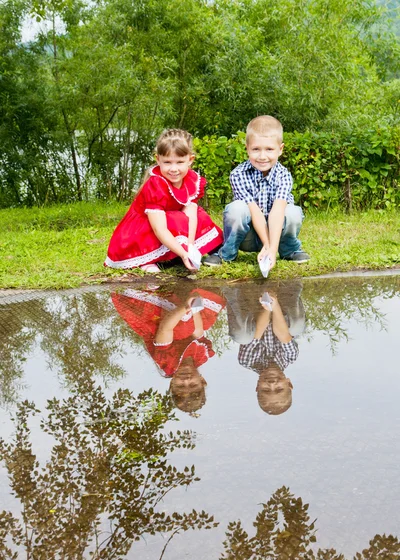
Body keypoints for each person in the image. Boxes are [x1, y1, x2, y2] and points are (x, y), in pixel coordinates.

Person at [105, 129, 223, 273]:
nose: (174, 169)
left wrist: (189, 247)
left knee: (200, 215)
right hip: (143, 229)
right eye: (167, 162)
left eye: (180, 162)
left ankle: (188, 252)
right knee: (175, 219)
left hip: (169, 223)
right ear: (158, 159)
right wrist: (184, 254)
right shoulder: (155, 184)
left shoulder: (191, 180)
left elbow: (191, 215)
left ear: (190, 160)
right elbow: (158, 228)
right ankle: (149, 260)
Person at [203, 115, 310, 269]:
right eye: (256, 149)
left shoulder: (284, 175)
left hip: (277, 236)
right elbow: (254, 212)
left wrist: (272, 249)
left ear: (280, 150)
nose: (262, 156)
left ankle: (289, 250)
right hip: (248, 237)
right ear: (247, 148)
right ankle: (226, 254)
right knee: (236, 209)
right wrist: (266, 245)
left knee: (293, 212)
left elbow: (278, 211)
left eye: (269, 149)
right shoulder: (238, 174)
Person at [111, 286, 226, 414]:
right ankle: (186, 292)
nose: (186, 380)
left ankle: (166, 291)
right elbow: (198, 332)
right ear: (202, 381)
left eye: (180, 386)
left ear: (172, 384)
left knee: (183, 329)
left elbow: (165, 328)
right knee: (201, 319)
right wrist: (195, 308)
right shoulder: (201, 356)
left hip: (158, 319)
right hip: (184, 320)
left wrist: (186, 307)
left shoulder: (167, 363)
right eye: (193, 385)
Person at [223, 282, 304, 415]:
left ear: (257, 387)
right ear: (289, 383)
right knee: (297, 327)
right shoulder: (290, 357)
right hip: (278, 306)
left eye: (266, 390)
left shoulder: (247, 361)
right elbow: (282, 333)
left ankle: (232, 289)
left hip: (252, 308)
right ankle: (291, 284)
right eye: (279, 389)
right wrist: (274, 302)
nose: (272, 384)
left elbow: (258, 331)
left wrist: (267, 303)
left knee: (242, 337)